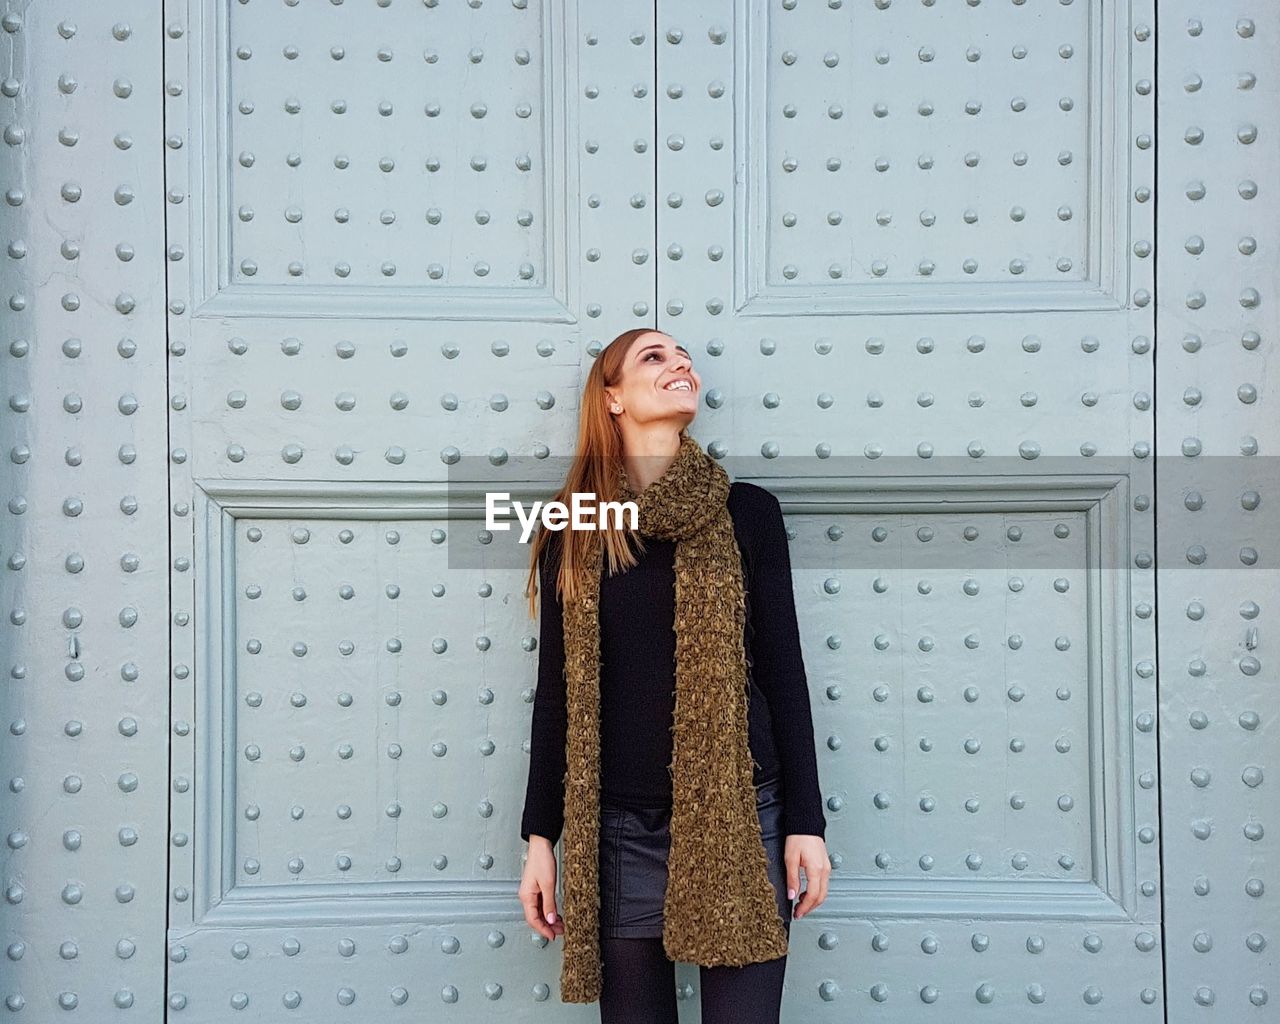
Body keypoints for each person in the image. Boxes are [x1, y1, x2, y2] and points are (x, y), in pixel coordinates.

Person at [517, 328, 831, 1023]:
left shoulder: (747, 512)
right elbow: (557, 697)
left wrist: (807, 823)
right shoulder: (575, 530)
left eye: (683, 355)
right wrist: (541, 839)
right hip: (624, 830)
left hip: (744, 819)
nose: (680, 363)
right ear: (613, 399)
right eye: (653, 358)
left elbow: (784, 674)